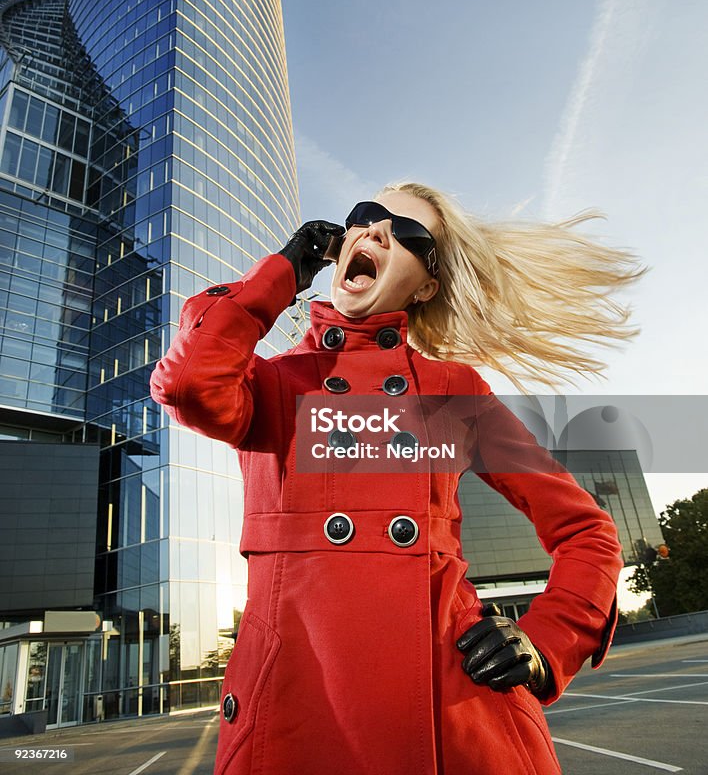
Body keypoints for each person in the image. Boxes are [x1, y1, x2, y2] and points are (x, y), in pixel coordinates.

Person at [150, 181, 646, 775]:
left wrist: (546, 643)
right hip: (291, 717)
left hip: (456, 720)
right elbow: (186, 384)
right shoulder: (272, 385)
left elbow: (586, 531)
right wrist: (281, 272)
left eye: (408, 234)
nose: (378, 230)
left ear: (427, 285)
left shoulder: (451, 392)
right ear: (341, 242)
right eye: (367, 215)